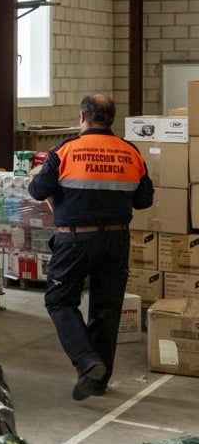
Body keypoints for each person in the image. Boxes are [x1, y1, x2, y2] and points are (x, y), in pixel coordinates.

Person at [27, 93, 154, 401]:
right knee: (107, 308)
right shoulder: (130, 152)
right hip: (116, 239)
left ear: (82, 117)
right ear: (111, 119)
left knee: (59, 300)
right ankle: (99, 380)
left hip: (74, 240)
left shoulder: (65, 150)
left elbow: (37, 190)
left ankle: (87, 362)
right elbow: (145, 200)